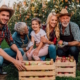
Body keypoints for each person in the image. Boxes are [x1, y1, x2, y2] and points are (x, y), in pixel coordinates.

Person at [0, 5, 26, 74]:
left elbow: (11, 42)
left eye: (7, 16)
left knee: (20, 51)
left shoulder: (5, 27)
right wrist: (14, 61)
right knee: (0, 59)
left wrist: (18, 51)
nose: (5, 18)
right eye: (3, 15)